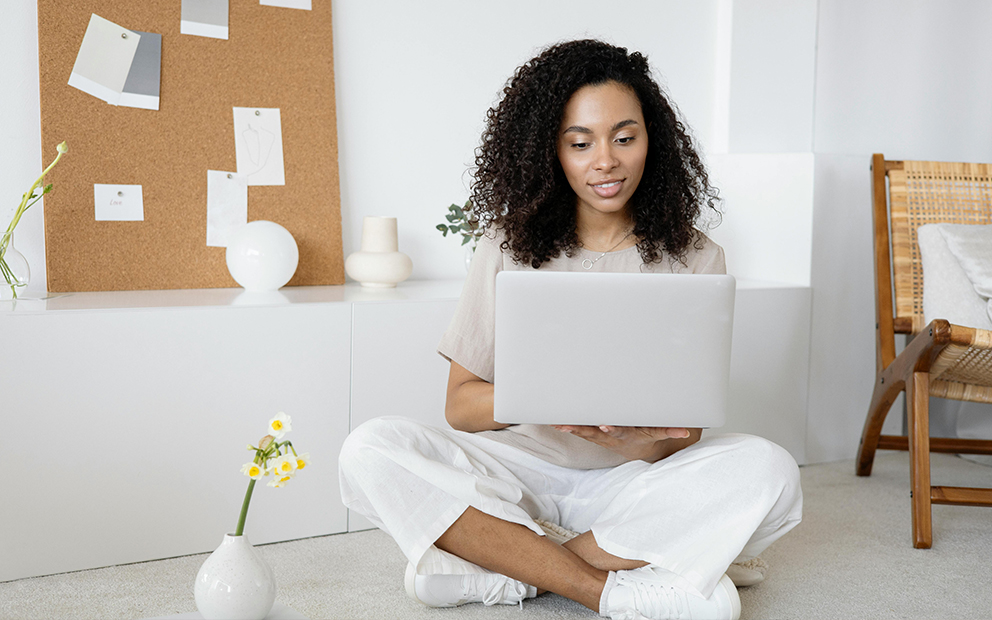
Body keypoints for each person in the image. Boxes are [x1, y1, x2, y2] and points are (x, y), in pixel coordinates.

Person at [339, 39, 802, 620]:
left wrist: (628, 439)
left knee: (771, 470)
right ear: (549, 152)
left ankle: (511, 567)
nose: (604, 161)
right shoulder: (507, 246)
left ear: (651, 142)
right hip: (515, 480)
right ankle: (607, 587)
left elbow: (686, 436)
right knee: (370, 449)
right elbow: (460, 408)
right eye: (580, 143)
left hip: (628, 484)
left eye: (624, 138)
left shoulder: (696, 257)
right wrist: (543, 401)